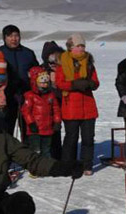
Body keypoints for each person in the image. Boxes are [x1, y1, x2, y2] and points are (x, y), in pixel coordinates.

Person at [55, 34, 100, 175]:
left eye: (83, 46)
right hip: (71, 107)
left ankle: (87, 165)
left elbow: (96, 82)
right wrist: (74, 85)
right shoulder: (63, 63)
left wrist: (91, 84)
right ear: (71, 48)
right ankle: (68, 165)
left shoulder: (89, 63)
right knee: (71, 138)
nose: (81, 49)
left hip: (88, 106)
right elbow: (59, 83)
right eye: (78, 46)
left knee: (88, 138)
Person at [29, 41, 65, 159]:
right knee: (48, 133)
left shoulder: (64, 70)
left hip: (63, 105)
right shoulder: (41, 71)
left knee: (58, 131)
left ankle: (58, 156)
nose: (54, 62)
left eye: (57, 58)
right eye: (51, 58)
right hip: (46, 108)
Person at [21, 69, 61, 159]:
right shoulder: (30, 95)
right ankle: (34, 167)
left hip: (48, 127)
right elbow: (26, 111)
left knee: (46, 149)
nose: (45, 85)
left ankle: (45, 167)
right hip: (35, 129)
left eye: (47, 82)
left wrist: (57, 121)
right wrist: (31, 123)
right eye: (42, 83)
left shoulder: (51, 95)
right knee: (35, 150)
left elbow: (56, 109)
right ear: (36, 82)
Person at [0, 24, 38, 94]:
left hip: (26, 91)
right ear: (4, 38)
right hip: (5, 92)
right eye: (10, 36)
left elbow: (37, 71)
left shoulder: (28, 53)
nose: (14, 39)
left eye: (16, 36)